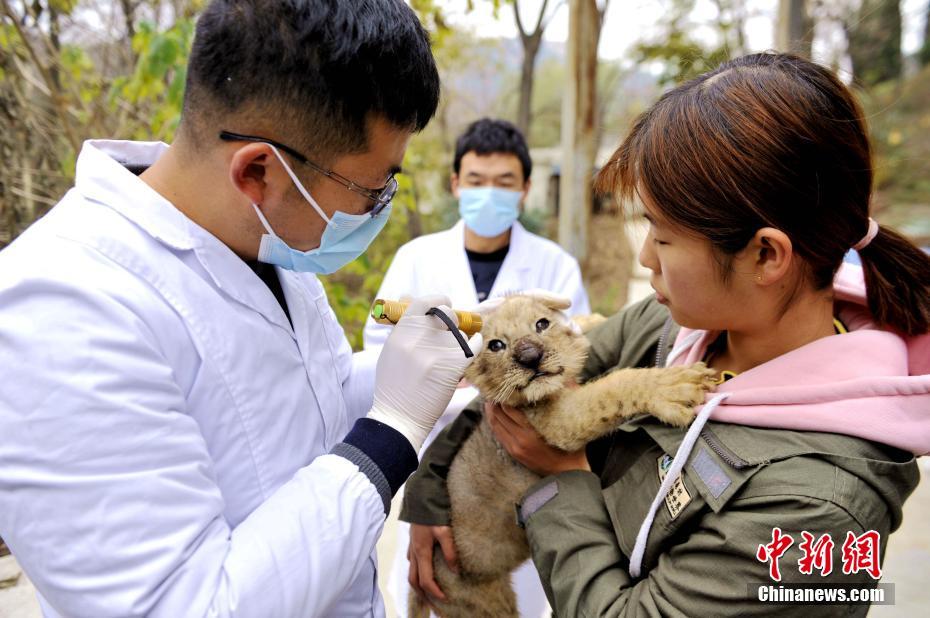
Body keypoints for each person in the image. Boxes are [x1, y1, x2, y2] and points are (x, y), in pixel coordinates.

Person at [402, 53, 930, 616]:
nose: (645, 257)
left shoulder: (818, 509)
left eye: (663, 235)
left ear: (765, 254)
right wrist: (429, 497)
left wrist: (561, 479)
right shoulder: (670, 325)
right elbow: (517, 392)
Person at [0, 1, 484, 616]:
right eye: (371, 188)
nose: (378, 207)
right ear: (259, 169)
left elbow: (309, 399)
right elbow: (183, 604)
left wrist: (430, 372)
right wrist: (392, 432)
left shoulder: (263, 236)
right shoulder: (61, 307)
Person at [364, 118, 590, 617]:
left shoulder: (555, 267)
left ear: (526, 189)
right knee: (435, 588)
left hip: (518, 465)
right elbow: (382, 355)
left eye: (504, 183)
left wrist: (464, 373)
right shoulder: (416, 258)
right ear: (455, 184)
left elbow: (570, 367)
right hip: (428, 457)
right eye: (476, 180)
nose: (489, 193)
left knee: (522, 598)